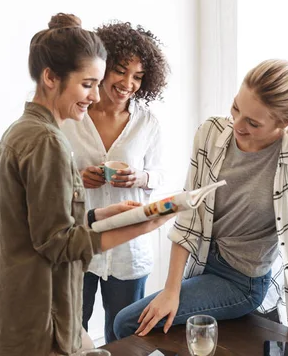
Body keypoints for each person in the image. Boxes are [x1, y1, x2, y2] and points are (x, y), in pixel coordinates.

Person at [113, 59, 288, 350]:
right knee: (139, 324)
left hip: (242, 280)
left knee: (126, 322)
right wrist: (171, 290)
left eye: (253, 122)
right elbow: (188, 213)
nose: (237, 125)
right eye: (236, 108)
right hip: (201, 264)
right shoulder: (211, 133)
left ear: (285, 122)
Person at [0, 13, 172, 356]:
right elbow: (59, 244)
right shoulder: (46, 141)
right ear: (51, 77)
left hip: (17, 308)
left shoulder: (23, 130)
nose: (96, 97)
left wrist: (100, 215)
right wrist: (141, 225)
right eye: (87, 84)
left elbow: (42, 224)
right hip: (37, 316)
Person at [61, 21, 169, 343]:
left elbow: (160, 173)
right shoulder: (72, 116)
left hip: (128, 249)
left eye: (137, 76)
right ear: (103, 67)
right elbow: (51, 174)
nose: (127, 83)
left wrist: (142, 177)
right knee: (68, 334)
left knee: (123, 338)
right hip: (78, 241)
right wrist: (77, 179)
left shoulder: (147, 123)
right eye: (121, 71)